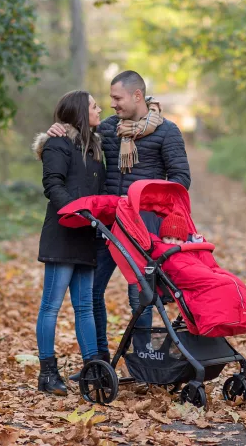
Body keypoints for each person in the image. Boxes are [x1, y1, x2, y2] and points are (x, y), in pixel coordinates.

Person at [46, 71, 191, 375]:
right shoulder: (109, 129)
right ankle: (98, 362)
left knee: (141, 295)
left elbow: (180, 180)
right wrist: (60, 128)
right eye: (109, 99)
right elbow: (77, 142)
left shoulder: (167, 132)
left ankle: (143, 362)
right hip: (108, 224)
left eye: (117, 98)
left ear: (137, 96)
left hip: (143, 225)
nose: (112, 105)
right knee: (91, 292)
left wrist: (154, 208)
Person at [33, 90, 105, 396]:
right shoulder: (57, 144)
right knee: (51, 307)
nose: (99, 109)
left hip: (87, 235)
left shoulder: (93, 149)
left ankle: (91, 370)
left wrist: (94, 218)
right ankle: (47, 373)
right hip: (63, 234)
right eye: (93, 106)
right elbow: (53, 185)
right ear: (79, 112)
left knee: (85, 307)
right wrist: (78, 212)